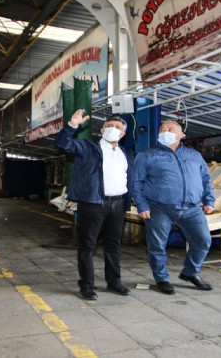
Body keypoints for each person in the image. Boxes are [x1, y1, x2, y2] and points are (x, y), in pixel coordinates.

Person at [54, 109, 133, 300]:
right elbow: (62, 144)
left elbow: (129, 178)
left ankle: (114, 283)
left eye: (118, 128)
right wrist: (72, 125)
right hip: (94, 203)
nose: (113, 129)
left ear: (123, 134)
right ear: (102, 129)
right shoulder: (88, 147)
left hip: (119, 204)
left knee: (113, 245)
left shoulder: (126, 153)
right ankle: (87, 285)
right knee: (87, 245)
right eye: (110, 126)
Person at [132, 120, 215, 295]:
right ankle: (162, 278)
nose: (165, 132)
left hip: (192, 208)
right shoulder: (147, 155)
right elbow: (136, 182)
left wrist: (209, 200)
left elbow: (206, 178)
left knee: (203, 241)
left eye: (170, 129)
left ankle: (191, 272)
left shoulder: (194, 155)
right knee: (157, 246)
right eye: (162, 129)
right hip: (159, 208)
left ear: (181, 134)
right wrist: (141, 205)